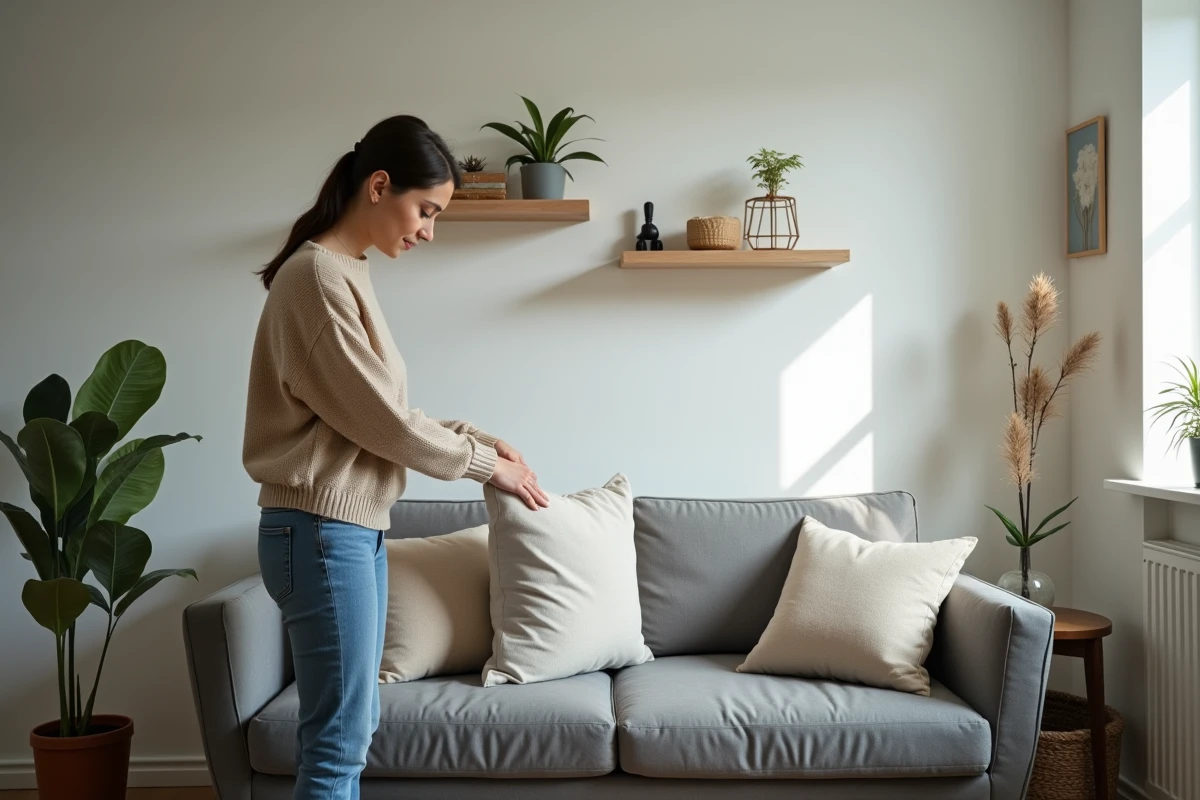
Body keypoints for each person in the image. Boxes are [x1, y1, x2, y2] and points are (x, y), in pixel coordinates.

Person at [242, 114, 550, 800]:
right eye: (426, 210)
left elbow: (368, 413)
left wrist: (477, 436)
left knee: (349, 733)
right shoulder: (318, 277)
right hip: (323, 534)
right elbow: (383, 421)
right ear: (379, 186)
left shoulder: (344, 271)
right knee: (337, 746)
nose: (428, 230)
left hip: (343, 532)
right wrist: (482, 464)